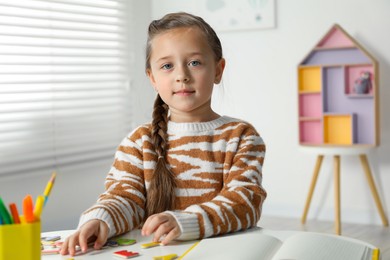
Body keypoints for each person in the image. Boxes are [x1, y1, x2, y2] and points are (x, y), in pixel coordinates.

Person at [60, 12, 266, 256]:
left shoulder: (240, 137)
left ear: (218, 70)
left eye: (195, 63)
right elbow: (125, 197)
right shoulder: (139, 142)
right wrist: (101, 219)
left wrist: (187, 222)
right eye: (167, 66)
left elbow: (244, 203)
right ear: (153, 78)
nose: (182, 75)